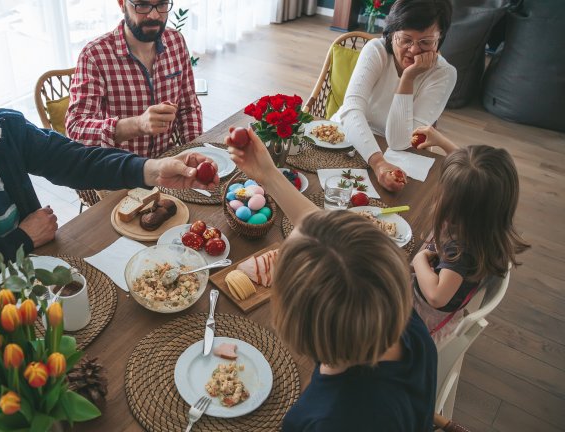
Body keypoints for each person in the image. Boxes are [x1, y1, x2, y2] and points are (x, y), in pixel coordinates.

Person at [0, 56, 217, 274]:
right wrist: (23, 238)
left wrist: (154, 169)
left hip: (44, 264)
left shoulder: (7, 127)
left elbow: (77, 161)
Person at [227, 128, 437, 431]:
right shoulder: (406, 325)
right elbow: (322, 230)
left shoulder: (319, 420)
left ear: (293, 322)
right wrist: (268, 175)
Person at [410, 126, 530, 341]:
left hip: (418, 324)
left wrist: (419, 260)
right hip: (435, 298)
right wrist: (441, 141)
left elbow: (436, 297)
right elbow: (473, 175)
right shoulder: (488, 219)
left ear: (459, 206)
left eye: (444, 194)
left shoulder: (461, 250)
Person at [330, 0, 456, 192]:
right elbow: (351, 110)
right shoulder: (376, 50)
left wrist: (407, 78)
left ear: (440, 38)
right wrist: (378, 163)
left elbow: (400, 141)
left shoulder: (443, 74)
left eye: (425, 42)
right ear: (391, 33)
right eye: (405, 39)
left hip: (395, 154)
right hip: (347, 135)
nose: (414, 50)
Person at [66, 0, 203, 158]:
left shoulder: (176, 41)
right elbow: (76, 128)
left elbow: (188, 107)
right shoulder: (94, 56)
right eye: (142, 5)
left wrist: (197, 151)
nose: (154, 15)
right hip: (118, 171)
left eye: (162, 4)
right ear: (122, 4)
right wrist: (137, 125)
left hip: (166, 164)